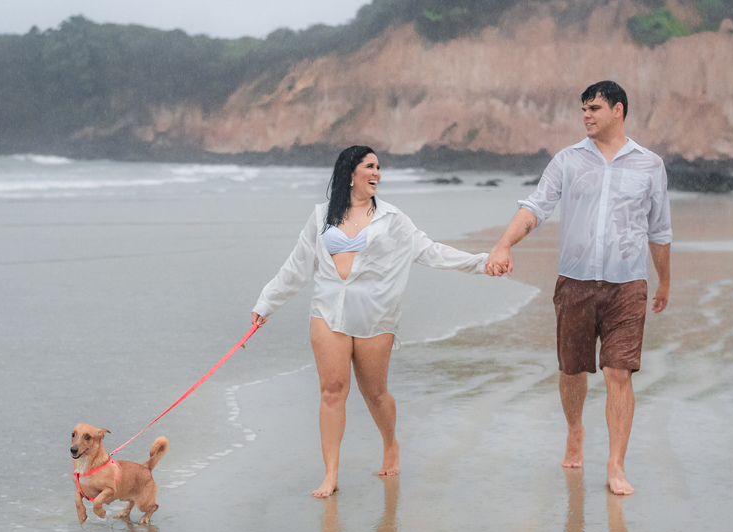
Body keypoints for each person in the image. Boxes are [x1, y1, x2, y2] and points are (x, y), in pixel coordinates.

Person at [252, 145, 501, 498]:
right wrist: (266, 303)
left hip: (375, 317)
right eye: (370, 167)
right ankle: (331, 474)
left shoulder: (393, 219)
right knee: (331, 392)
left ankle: (390, 444)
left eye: (379, 168)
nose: (377, 174)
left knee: (375, 392)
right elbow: (297, 266)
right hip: (328, 314)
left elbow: (429, 251)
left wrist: (481, 262)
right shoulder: (322, 215)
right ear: (350, 173)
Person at [485, 81, 672, 495]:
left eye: (595, 108)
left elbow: (660, 231)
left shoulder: (650, 165)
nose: (587, 115)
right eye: (583, 109)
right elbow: (536, 207)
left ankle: (616, 464)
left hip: (628, 285)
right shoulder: (567, 161)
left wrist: (664, 281)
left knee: (618, 372)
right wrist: (504, 244)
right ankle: (575, 430)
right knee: (572, 369)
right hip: (575, 282)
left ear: (618, 110)